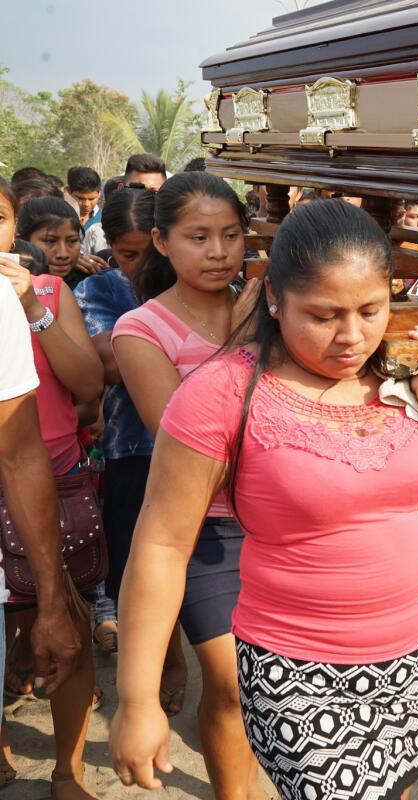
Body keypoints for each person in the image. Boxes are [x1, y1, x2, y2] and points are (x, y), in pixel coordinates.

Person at [110, 198, 418, 800]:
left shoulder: (401, 373)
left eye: (371, 310)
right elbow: (162, 545)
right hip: (298, 669)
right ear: (274, 300)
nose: (352, 336)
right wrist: (136, 701)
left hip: (417, 651)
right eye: (323, 315)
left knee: (397, 787)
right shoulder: (221, 394)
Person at [109, 172, 265, 799]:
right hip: (206, 525)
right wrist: (249, 340)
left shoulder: (273, 303)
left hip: (279, 517)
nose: (218, 251)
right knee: (232, 687)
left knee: (271, 686)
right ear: (162, 241)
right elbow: (189, 451)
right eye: (198, 236)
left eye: (230, 235)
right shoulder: (141, 330)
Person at [0, 177, 87, 796]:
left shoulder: (18, 301)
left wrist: (33, 304)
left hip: (52, 479)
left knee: (59, 621)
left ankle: (68, 769)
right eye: (46, 237)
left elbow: (23, 449)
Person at [74, 189, 158, 659]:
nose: (142, 265)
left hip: (203, 446)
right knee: (131, 558)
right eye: (128, 255)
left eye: (151, 253)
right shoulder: (100, 287)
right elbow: (108, 363)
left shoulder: (203, 284)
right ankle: (153, 658)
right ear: (111, 247)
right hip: (133, 445)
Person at [17, 197, 108, 289]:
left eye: (72, 241)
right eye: (50, 241)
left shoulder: (92, 286)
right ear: (22, 240)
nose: (63, 254)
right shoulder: (9, 285)